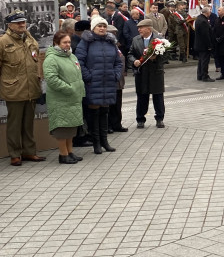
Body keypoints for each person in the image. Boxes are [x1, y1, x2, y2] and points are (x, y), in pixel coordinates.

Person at [0, 12, 45, 166]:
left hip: (31, 87)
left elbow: (36, 56)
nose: (22, 25)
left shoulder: (29, 38)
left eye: (23, 22)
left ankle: (29, 152)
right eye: (18, 23)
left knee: (28, 123)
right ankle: (15, 154)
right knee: (14, 124)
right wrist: (7, 82)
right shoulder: (1, 42)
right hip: (14, 89)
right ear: (9, 25)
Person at [75, 16, 123, 154]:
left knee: (104, 112)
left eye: (104, 26)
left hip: (108, 82)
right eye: (99, 26)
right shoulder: (86, 42)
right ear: (93, 28)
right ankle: (96, 143)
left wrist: (115, 75)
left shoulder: (111, 42)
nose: (102, 28)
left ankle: (105, 141)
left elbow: (118, 62)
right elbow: (79, 61)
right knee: (93, 113)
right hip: (92, 83)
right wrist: (88, 76)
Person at [43, 30, 86, 164]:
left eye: (69, 42)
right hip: (60, 99)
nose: (68, 44)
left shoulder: (71, 56)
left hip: (73, 98)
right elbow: (51, 79)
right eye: (64, 42)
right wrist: (69, 88)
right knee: (62, 128)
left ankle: (70, 152)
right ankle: (63, 154)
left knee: (71, 127)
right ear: (56, 43)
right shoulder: (51, 59)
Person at [128, 18, 167, 128]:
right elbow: (130, 53)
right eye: (138, 28)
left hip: (155, 72)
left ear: (149, 29)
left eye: (141, 28)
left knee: (158, 97)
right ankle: (140, 119)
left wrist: (156, 58)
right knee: (141, 97)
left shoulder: (159, 39)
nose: (139, 30)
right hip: (141, 73)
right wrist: (133, 61)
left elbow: (165, 56)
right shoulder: (136, 40)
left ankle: (159, 118)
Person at [193, 5, 214, 82]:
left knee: (201, 61)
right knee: (204, 61)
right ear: (207, 13)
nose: (210, 13)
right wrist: (209, 45)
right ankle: (205, 76)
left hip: (199, 44)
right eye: (209, 12)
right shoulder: (203, 21)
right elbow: (205, 35)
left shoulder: (199, 19)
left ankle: (200, 75)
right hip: (203, 45)